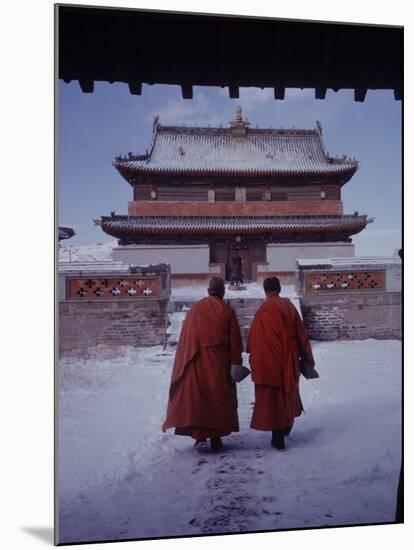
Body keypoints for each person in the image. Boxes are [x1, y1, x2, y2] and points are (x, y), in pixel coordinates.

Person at [162, 277, 243, 452]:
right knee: (216, 398)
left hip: (196, 360)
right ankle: (216, 438)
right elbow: (235, 341)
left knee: (199, 399)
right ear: (222, 292)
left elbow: (186, 337)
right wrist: (236, 363)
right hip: (218, 362)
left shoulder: (196, 309)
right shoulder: (227, 310)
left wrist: (185, 358)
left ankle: (200, 437)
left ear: (208, 291)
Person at [247, 277, 315, 451]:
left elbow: (252, 341)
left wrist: (256, 360)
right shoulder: (289, 307)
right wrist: (308, 359)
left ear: (265, 291)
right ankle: (285, 427)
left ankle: (277, 435)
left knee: (273, 399)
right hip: (288, 358)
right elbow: (302, 335)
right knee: (287, 394)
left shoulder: (262, 310)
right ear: (279, 289)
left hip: (268, 361)